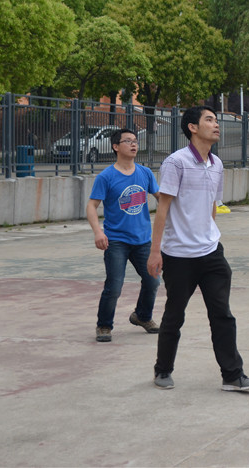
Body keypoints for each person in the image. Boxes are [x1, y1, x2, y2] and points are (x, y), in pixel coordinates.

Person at [147, 105, 249, 392]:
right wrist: (155, 251)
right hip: (179, 256)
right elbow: (162, 208)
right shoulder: (176, 162)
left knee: (222, 315)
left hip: (211, 253)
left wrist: (210, 235)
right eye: (209, 120)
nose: (216, 124)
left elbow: (212, 206)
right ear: (193, 127)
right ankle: (163, 370)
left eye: (216, 120)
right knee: (174, 315)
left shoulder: (217, 164)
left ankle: (232, 375)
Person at [86, 129, 161, 343]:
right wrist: (98, 232)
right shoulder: (106, 177)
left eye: (135, 141)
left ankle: (142, 316)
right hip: (116, 240)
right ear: (116, 147)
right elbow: (92, 206)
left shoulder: (145, 173)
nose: (133, 144)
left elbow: (161, 198)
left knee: (153, 281)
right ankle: (104, 325)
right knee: (114, 286)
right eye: (128, 141)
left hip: (143, 240)